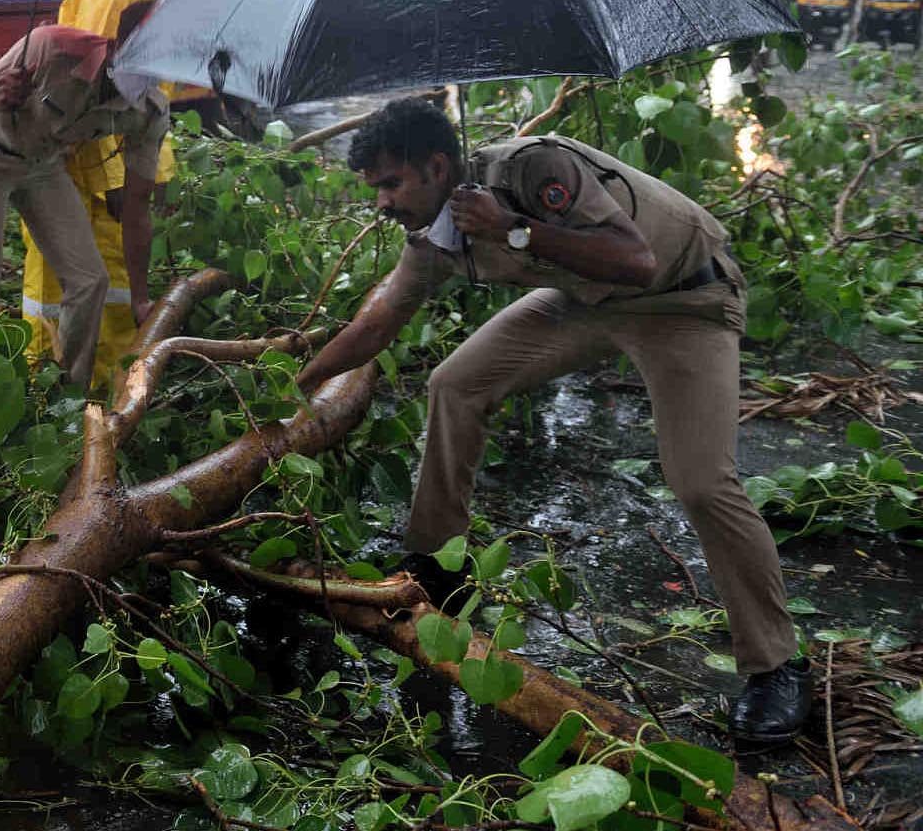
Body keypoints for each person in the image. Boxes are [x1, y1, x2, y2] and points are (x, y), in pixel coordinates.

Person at [291, 97, 809, 742]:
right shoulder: (432, 237)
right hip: (583, 300)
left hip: (683, 299)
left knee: (701, 482)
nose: (383, 204)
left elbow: (635, 261)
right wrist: (297, 384)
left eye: (392, 185)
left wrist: (514, 226)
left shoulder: (534, 169)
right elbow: (376, 324)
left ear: (436, 165)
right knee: (455, 383)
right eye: (375, 190)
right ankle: (436, 567)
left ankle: (778, 666)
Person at [19, 0, 221, 387]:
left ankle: (103, 395)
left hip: (105, 164)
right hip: (75, 171)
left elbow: (149, 100)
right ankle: (53, 390)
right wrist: (121, 186)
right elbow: (87, 84)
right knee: (65, 284)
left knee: (108, 286)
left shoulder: (170, 3)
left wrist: (149, 174)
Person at [0, 0, 166, 389]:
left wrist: (140, 297)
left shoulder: (150, 109)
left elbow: (136, 207)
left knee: (90, 280)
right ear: (119, 44)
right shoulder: (52, 46)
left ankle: (68, 393)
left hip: (42, 166)